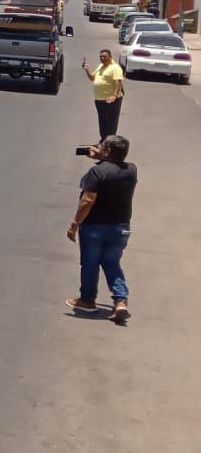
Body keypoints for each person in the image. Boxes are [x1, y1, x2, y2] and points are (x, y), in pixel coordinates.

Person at [66, 135, 136, 322]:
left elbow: (88, 200)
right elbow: (114, 166)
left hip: (94, 227)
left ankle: (87, 301)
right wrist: (104, 157)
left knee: (90, 263)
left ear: (106, 152)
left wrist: (74, 223)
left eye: (102, 146)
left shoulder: (95, 173)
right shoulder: (131, 170)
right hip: (120, 227)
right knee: (112, 262)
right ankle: (120, 301)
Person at [82, 50, 125, 139]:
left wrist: (114, 95)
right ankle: (104, 141)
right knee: (103, 123)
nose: (102, 58)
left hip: (111, 100)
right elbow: (92, 78)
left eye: (105, 56)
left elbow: (118, 82)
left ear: (110, 57)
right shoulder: (101, 66)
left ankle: (110, 143)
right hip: (99, 100)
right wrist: (87, 70)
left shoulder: (115, 67)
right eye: (101, 56)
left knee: (111, 123)